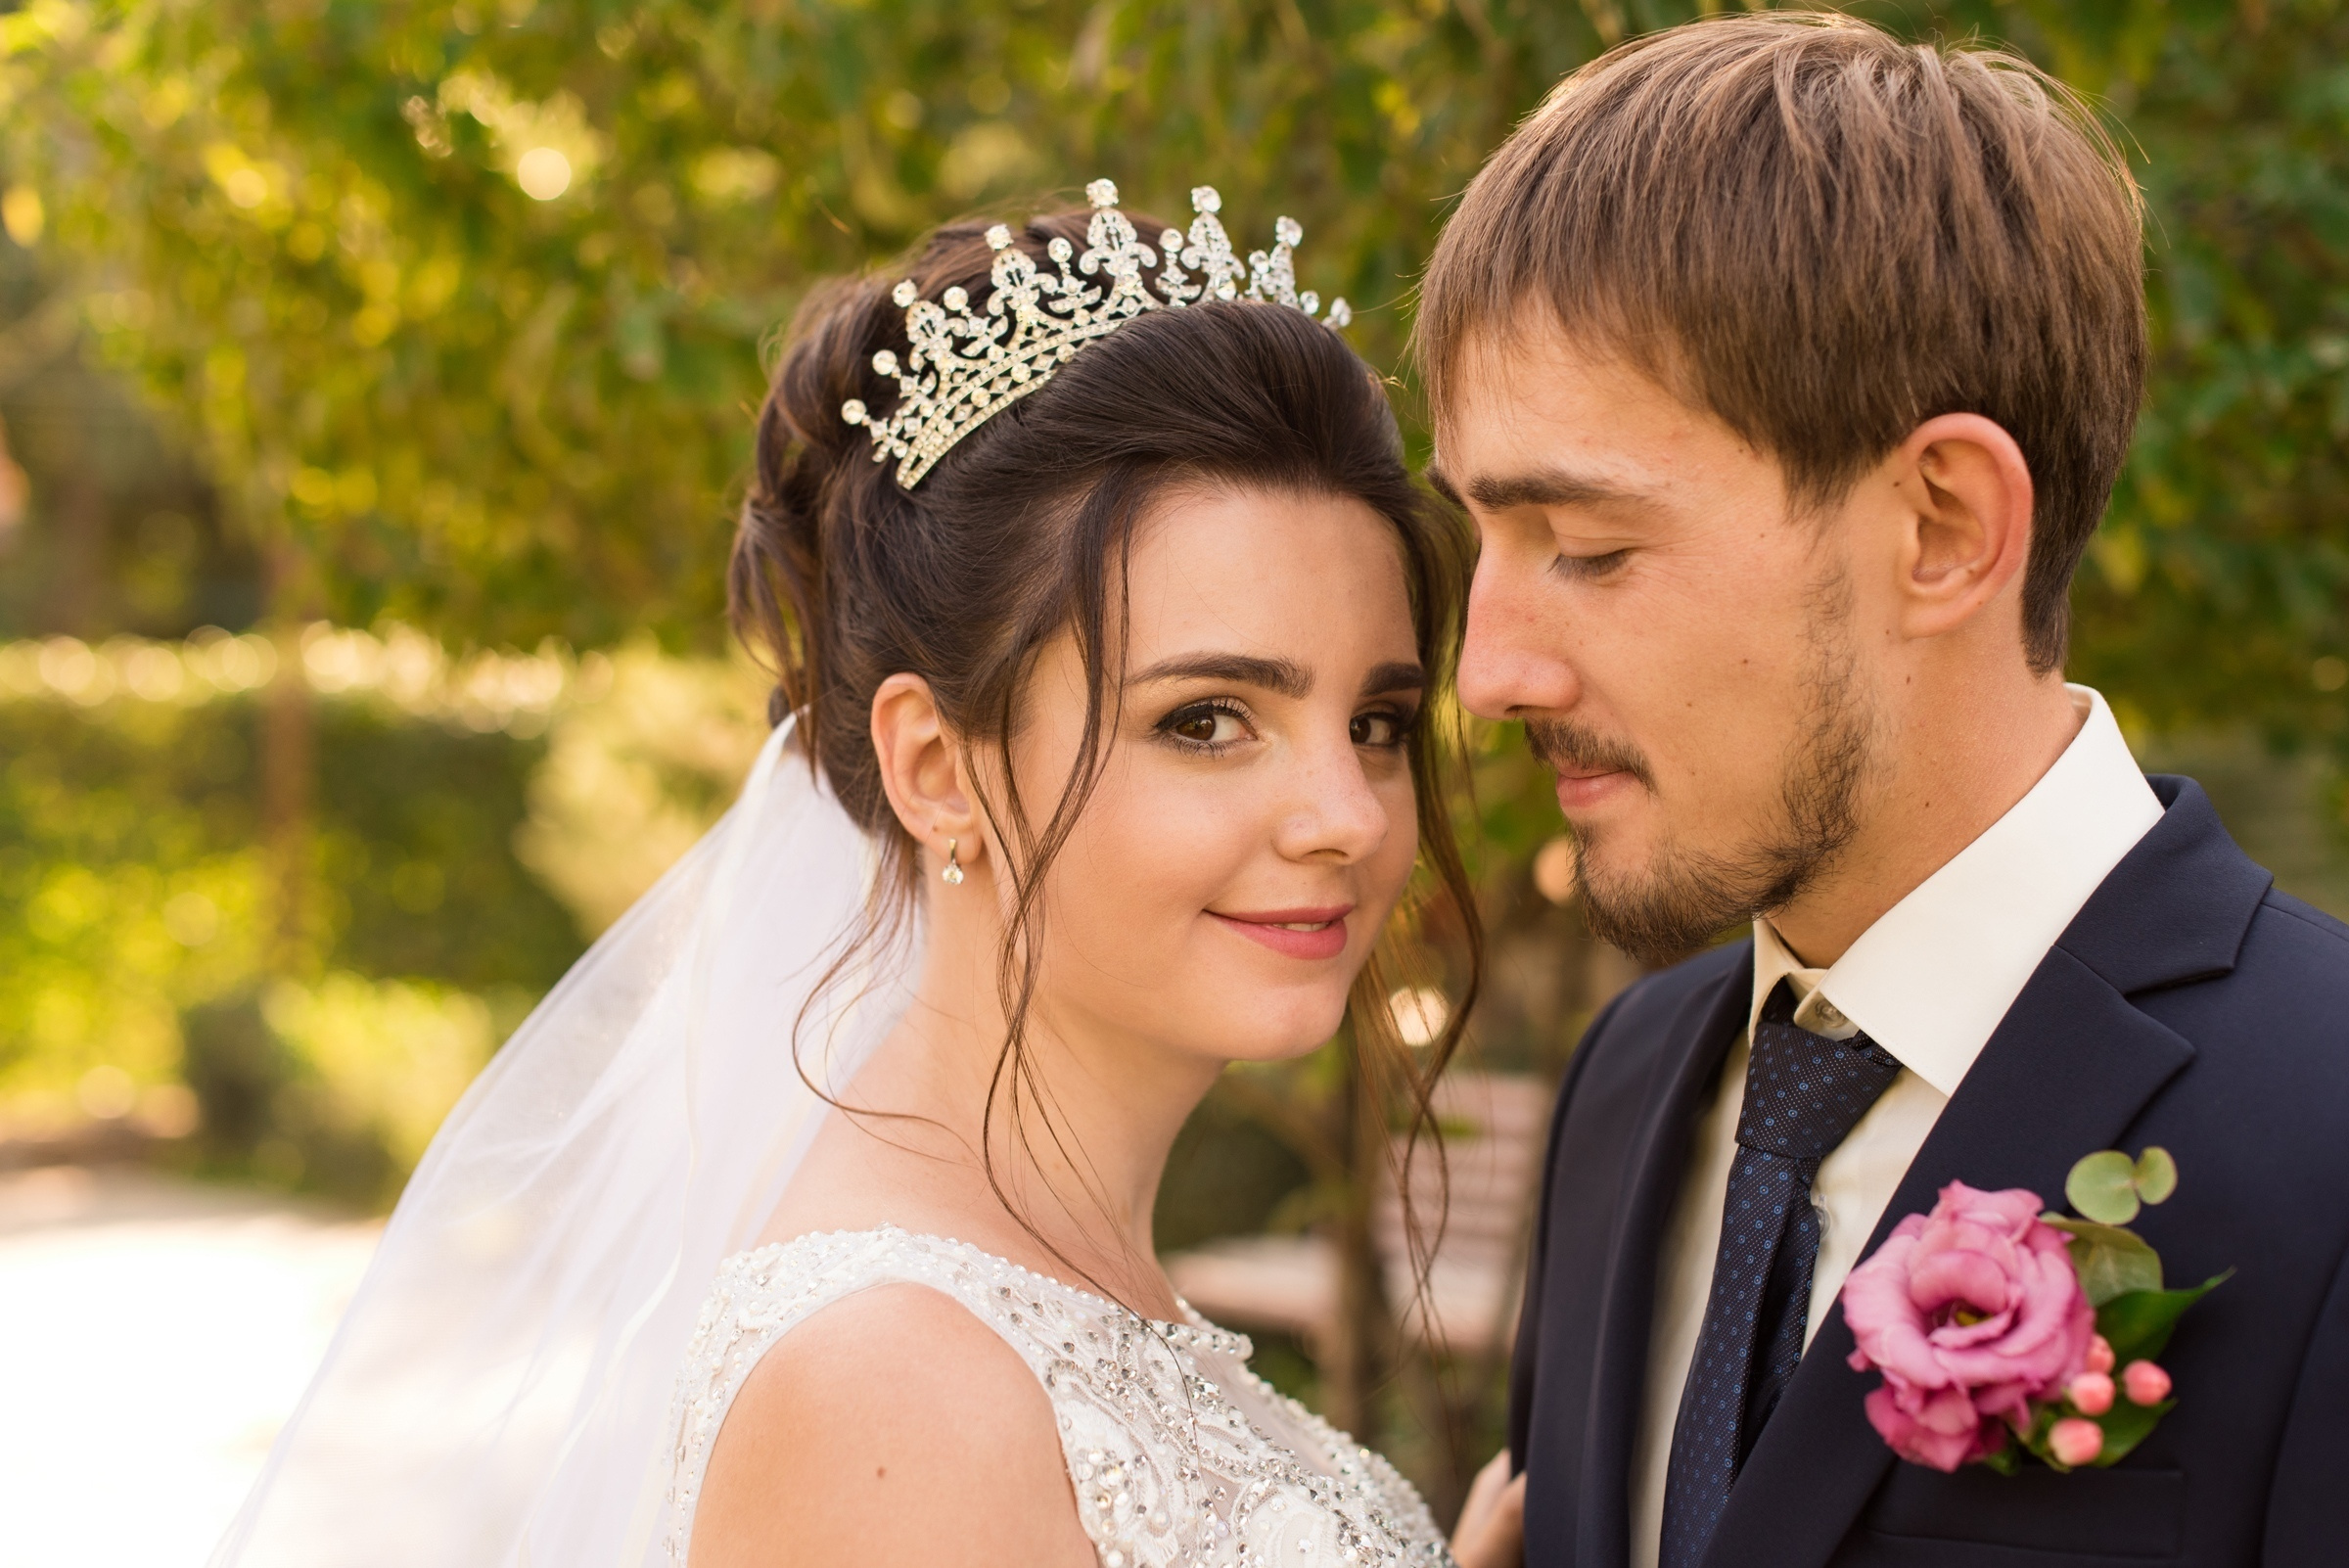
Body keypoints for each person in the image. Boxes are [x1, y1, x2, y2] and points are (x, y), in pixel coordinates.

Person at [210, 182, 1525, 1568]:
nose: (1345, 814)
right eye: (1206, 720)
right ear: (937, 767)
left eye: (1374, 722)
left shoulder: (1029, 1297)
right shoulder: (892, 1391)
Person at [1417, 13, 2349, 1568]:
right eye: (1480, 545)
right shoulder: (1630, 1081)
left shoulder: (2329, 1123)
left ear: (1941, 525)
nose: (1487, 673)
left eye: (1586, 545)